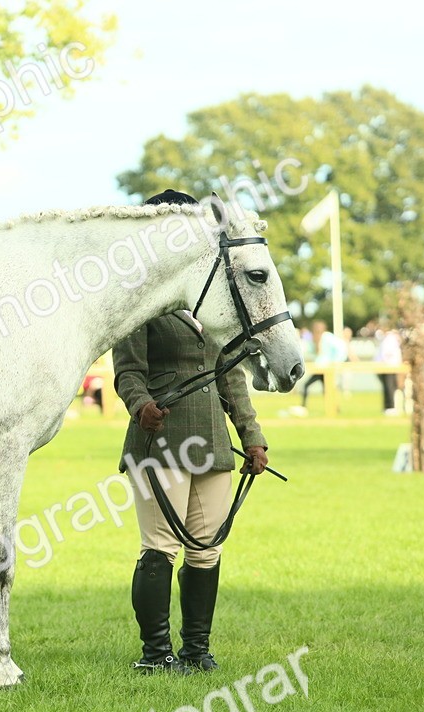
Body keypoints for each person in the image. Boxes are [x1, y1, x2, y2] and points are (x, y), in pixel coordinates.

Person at [111, 189, 269, 674]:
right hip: (160, 440)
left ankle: (196, 651)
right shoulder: (137, 298)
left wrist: (252, 435)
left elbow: (231, 376)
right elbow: (127, 371)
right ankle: (154, 654)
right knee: (160, 547)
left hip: (213, 444)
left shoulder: (210, 301)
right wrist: (141, 407)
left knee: (207, 548)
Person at [373, 323, 403, 414]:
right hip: (387, 366)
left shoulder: (390, 338)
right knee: (388, 387)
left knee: (390, 387)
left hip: (389, 366)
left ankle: (390, 407)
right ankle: (389, 407)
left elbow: (387, 353)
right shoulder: (388, 338)